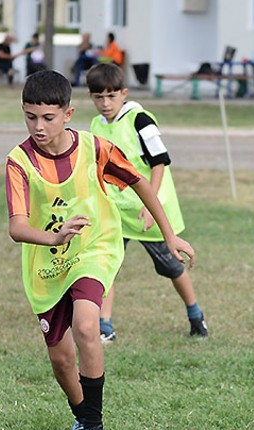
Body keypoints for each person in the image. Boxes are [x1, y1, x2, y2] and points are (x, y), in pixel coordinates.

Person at [5, 70, 195, 430]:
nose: (38, 127)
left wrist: (169, 234)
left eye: (48, 118)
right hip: (47, 263)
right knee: (61, 359)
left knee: (88, 325)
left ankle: (95, 428)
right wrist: (55, 237)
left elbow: (141, 182)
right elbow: (17, 227)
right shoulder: (19, 161)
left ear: (69, 113)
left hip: (95, 248)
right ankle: (81, 414)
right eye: (30, 117)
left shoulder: (96, 149)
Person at [87, 63, 208, 342]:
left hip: (149, 212)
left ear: (124, 93)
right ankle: (105, 327)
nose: (105, 103)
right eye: (98, 97)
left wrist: (149, 205)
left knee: (171, 266)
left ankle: (196, 316)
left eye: (111, 96)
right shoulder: (96, 125)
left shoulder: (140, 121)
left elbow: (159, 163)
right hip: (116, 211)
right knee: (107, 266)